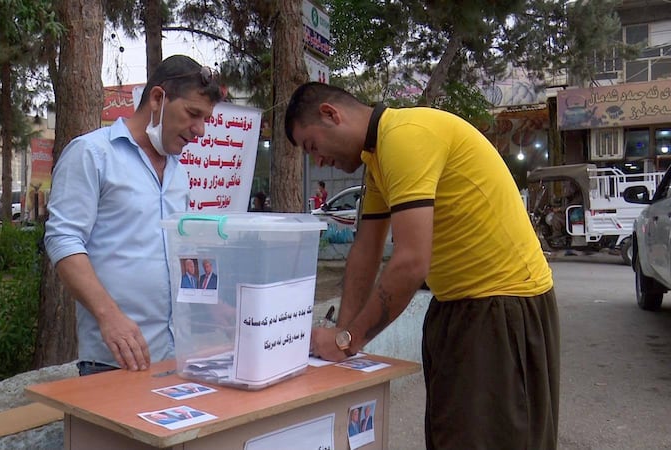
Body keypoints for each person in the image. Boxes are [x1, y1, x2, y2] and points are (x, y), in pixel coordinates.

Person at [285, 82, 558, 449]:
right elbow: (366, 251)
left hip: (502, 306)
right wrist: (342, 332)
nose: (317, 161)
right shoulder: (378, 155)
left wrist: (348, 341)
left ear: (331, 114)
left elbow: (412, 261)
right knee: (449, 436)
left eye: (312, 146)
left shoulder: (405, 137)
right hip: (455, 306)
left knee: (490, 439)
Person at [44, 55, 223, 377]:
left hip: (177, 355)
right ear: (157, 98)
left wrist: (213, 307)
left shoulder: (179, 172)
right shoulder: (92, 154)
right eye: (193, 114)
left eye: (206, 119)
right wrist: (109, 316)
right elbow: (63, 240)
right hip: (115, 359)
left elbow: (185, 250)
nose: (200, 130)